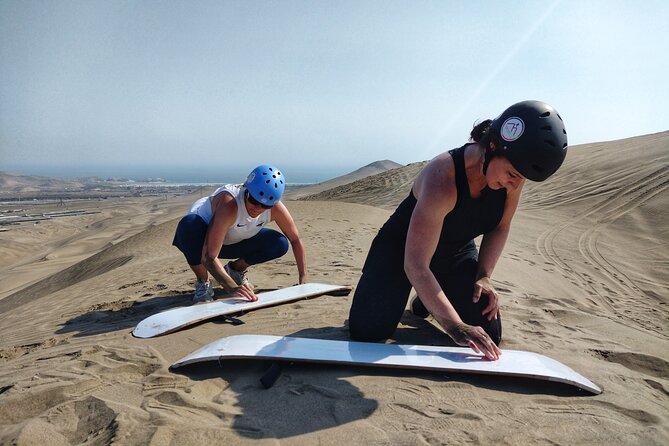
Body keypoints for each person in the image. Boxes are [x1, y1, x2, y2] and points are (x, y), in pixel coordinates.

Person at [348, 100, 568, 360]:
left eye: (521, 177)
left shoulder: (511, 179)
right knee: (368, 333)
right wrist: (455, 326)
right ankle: (422, 294)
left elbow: (500, 227)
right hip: (401, 250)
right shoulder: (443, 176)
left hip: (454, 250)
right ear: (493, 146)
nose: (515, 182)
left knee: (489, 332)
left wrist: (484, 275)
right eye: (512, 173)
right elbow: (416, 264)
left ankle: (428, 298)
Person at [173, 165, 307, 303]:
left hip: (232, 241)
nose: (258, 208)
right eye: (254, 201)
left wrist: (303, 279)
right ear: (246, 190)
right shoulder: (230, 203)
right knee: (188, 225)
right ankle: (203, 282)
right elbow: (209, 256)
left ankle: (235, 270)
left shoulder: (275, 207)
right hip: (200, 242)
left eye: (265, 206)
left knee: (279, 243)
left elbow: (295, 240)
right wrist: (232, 288)